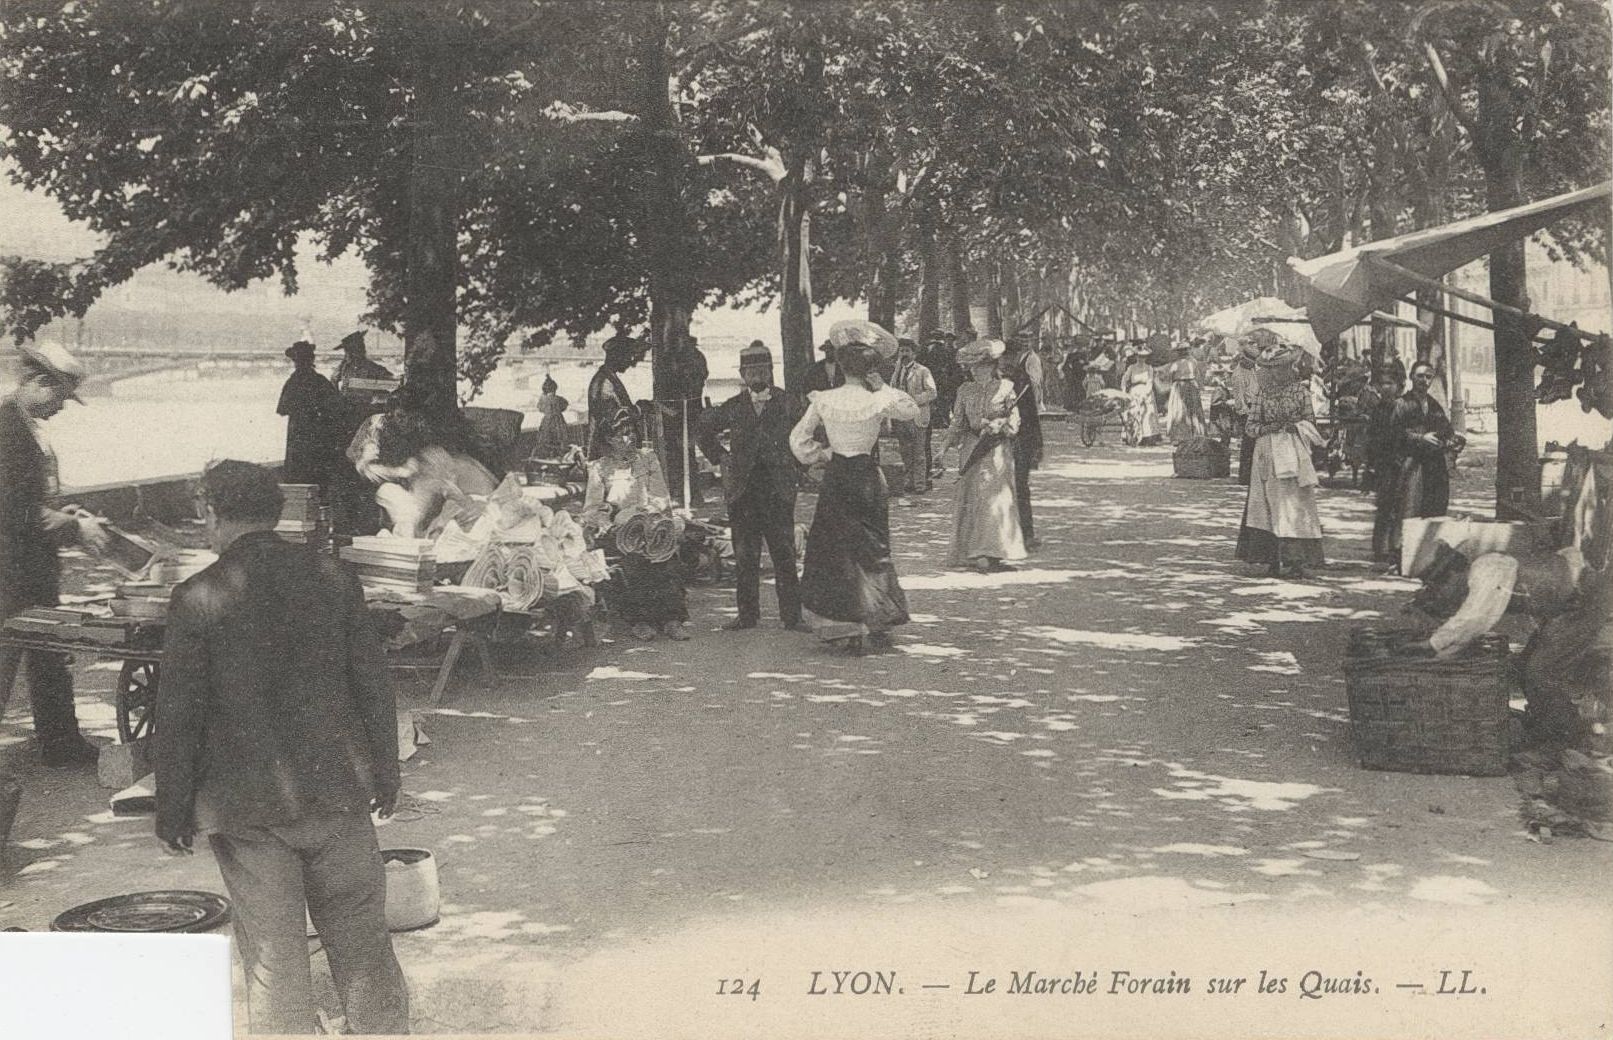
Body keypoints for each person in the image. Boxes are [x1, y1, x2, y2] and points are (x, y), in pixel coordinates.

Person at [154, 460, 408, 1035]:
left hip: (249, 809)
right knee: (364, 945)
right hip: (339, 791)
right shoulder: (335, 578)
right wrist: (386, 772)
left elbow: (178, 715)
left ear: (212, 515)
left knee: (273, 958)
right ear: (278, 512)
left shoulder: (197, 597)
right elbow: (372, 681)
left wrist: (172, 809)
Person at [0, 342, 110, 767]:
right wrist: (72, 525)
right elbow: (11, 510)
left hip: (30, 568)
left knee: (49, 653)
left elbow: (29, 502)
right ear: (37, 382)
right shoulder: (7, 429)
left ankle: (61, 744)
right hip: (10, 571)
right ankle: (61, 742)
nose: (62, 407)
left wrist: (64, 514)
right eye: (60, 396)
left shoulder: (23, 427)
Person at [789, 334, 918, 651]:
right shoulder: (877, 399)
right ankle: (876, 618)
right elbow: (911, 409)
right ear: (869, 368)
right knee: (872, 546)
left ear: (841, 366)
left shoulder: (824, 399)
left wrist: (821, 454)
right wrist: (882, 386)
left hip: (837, 476)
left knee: (834, 547)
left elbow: (798, 440)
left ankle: (841, 624)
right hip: (868, 476)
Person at [694, 342, 807, 631]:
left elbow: (810, 433)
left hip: (778, 489)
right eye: (750, 370)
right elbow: (702, 430)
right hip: (742, 491)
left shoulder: (789, 403)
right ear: (743, 374)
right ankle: (747, 615)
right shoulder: (733, 406)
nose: (756, 375)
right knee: (745, 554)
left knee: (784, 553)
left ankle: (792, 617)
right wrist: (721, 458)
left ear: (771, 372)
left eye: (762, 369)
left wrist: (798, 466)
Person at [582, 409, 689, 641]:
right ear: (608, 440)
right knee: (632, 560)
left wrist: (652, 511)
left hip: (651, 520)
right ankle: (640, 621)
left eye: (630, 433)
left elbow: (660, 495)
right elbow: (591, 509)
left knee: (665, 556)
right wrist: (606, 520)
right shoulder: (599, 468)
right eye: (618, 435)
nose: (626, 439)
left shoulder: (647, 458)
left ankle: (672, 619)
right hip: (620, 529)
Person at [1235, 337, 1326, 577]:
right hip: (1267, 451)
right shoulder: (1263, 395)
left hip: (1294, 450)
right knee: (1266, 502)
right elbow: (1250, 427)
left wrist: (1295, 426)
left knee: (1296, 502)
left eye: (1280, 369)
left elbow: (1311, 422)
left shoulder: (1301, 393)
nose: (1275, 375)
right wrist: (1270, 427)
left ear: (1289, 368)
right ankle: (1272, 559)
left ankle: (1296, 561)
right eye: (1270, 370)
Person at [941, 338, 1027, 572]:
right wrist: (943, 447)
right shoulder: (964, 390)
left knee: (994, 498)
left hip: (997, 450)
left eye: (981, 366)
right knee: (974, 498)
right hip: (971, 449)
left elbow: (1015, 421)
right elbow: (957, 422)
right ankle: (972, 551)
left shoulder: (1006, 388)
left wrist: (1001, 423)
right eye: (972, 367)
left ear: (991, 366)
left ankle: (993, 552)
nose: (975, 371)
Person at [1372, 361, 1457, 566]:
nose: (1424, 381)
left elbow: (1445, 429)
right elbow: (1394, 433)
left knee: (1434, 505)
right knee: (1408, 508)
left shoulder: (1434, 404)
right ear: (1411, 377)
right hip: (1411, 464)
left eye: (1428, 377)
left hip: (1433, 464)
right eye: (1420, 376)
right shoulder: (1402, 404)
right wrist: (1420, 438)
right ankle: (1399, 553)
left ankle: (1425, 554)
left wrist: (1452, 440)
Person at [276, 340, 344, 487]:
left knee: (298, 472)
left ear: (295, 361)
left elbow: (282, 409)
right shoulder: (320, 381)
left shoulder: (293, 382)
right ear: (311, 360)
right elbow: (337, 406)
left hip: (298, 432)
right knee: (318, 473)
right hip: (319, 433)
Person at [1002, 337, 1043, 548]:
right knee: (1014, 487)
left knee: (1019, 487)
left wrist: (1036, 445)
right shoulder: (1010, 379)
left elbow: (1031, 414)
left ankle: (1025, 534)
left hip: (1021, 439)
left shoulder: (1021, 379)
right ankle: (1020, 535)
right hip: (1014, 439)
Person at [889, 338, 938, 496]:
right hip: (902, 416)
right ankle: (908, 481)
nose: (904, 354)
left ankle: (920, 484)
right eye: (901, 351)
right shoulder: (897, 371)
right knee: (905, 451)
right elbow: (891, 390)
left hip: (918, 415)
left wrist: (914, 399)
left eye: (907, 351)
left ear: (914, 354)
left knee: (918, 452)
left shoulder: (923, 371)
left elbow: (932, 392)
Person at [587, 333, 643, 459]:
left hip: (613, 449)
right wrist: (640, 409)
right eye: (629, 356)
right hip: (609, 451)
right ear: (618, 356)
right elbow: (614, 417)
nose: (631, 361)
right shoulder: (604, 383)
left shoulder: (608, 378)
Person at [1228, 338, 1262, 485]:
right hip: (1247, 411)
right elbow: (1239, 399)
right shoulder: (1238, 375)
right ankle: (1245, 476)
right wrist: (1246, 414)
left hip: (1256, 408)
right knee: (1248, 445)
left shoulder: (1252, 370)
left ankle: (1253, 475)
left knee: (1255, 445)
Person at [1162, 343, 1208, 443]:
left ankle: (1186, 436)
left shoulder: (1177, 363)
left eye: (1184, 350)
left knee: (1182, 411)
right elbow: (1198, 376)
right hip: (1188, 385)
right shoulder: (1191, 362)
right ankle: (1192, 435)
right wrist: (1199, 387)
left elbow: (1169, 376)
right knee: (1186, 411)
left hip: (1182, 386)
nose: (1183, 352)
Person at [1122, 347, 1162, 446]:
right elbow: (1124, 379)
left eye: (1143, 357)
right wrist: (1124, 391)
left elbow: (1150, 382)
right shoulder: (1131, 367)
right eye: (1139, 357)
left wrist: (1145, 394)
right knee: (1133, 412)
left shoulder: (1149, 368)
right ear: (1136, 357)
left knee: (1148, 412)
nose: (1141, 359)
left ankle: (1147, 436)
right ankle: (1132, 435)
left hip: (1146, 392)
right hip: (1134, 391)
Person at [532, 374, 571, 458]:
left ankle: (548, 456)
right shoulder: (559, 399)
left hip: (547, 421)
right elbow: (565, 405)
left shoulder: (543, 399)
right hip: (559, 421)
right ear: (555, 389)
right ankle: (560, 456)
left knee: (546, 439)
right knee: (560, 439)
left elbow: (540, 408)